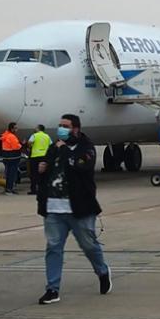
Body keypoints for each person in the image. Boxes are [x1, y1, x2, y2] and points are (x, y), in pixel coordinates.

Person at [36, 114, 111, 304]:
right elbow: (45, 167)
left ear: (76, 128)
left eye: (65, 126)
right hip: (54, 208)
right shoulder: (55, 147)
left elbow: (81, 167)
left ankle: (102, 271)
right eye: (60, 125)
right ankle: (52, 289)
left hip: (80, 208)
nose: (61, 129)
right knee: (53, 247)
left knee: (88, 245)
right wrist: (41, 168)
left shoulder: (86, 148)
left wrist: (66, 152)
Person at [27, 124, 52, 195]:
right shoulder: (47, 136)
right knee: (44, 173)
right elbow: (51, 144)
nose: (34, 128)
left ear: (38, 129)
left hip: (35, 156)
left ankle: (34, 190)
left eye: (36, 128)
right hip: (44, 156)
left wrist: (30, 146)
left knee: (34, 174)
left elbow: (29, 143)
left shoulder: (34, 135)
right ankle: (44, 189)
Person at [0, 122, 22, 195]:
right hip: (13, 157)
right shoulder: (12, 136)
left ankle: (8, 188)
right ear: (12, 129)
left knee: (8, 173)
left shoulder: (5, 135)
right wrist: (22, 144)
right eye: (15, 128)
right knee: (12, 174)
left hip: (7, 157)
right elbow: (16, 146)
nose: (17, 129)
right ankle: (9, 189)